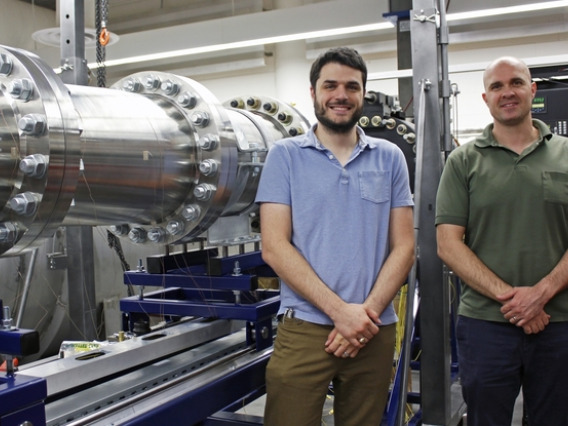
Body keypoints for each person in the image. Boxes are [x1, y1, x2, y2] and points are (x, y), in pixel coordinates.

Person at [255, 47, 415, 425]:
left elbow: (405, 246)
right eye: (330, 85)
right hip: (306, 326)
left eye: (351, 86)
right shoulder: (285, 156)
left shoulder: (389, 157)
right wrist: (341, 313)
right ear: (314, 92)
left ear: (362, 93)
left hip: (373, 328)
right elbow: (274, 247)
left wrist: (364, 315)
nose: (340, 95)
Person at [436, 56, 568, 426]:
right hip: (485, 326)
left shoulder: (566, 153)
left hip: (558, 323)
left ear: (533, 90)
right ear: (485, 98)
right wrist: (515, 300)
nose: (507, 92)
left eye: (516, 83)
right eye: (496, 86)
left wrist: (540, 294)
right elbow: (448, 244)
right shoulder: (462, 162)